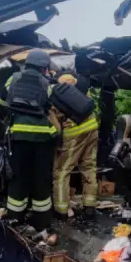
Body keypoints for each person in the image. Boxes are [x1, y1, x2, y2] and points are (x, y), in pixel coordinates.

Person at [0, 49, 59, 230]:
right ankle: (41, 220)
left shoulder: (13, 79)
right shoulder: (46, 84)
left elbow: (2, 103)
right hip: (42, 139)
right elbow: (51, 107)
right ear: (44, 67)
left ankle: (15, 217)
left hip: (18, 137)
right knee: (41, 178)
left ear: (28, 63)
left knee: (18, 177)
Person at [51, 71, 99, 221]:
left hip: (73, 133)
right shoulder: (79, 87)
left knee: (62, 171)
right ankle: (90, 206)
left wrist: (57, 142)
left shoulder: (55, 93)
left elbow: (56, 126)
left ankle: (61, 210)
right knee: (89, 167)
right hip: (92, 128)